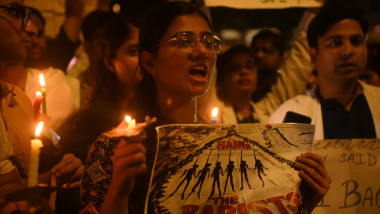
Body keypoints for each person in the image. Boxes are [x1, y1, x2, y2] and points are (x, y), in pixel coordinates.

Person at [80, 2, 330, 214]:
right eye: (185, 40)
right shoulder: (115, 148)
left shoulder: (227, 144)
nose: (201, 51)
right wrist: (119, 192)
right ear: (149, 61)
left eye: (209, 41)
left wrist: (301, 203)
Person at [0, 1, 83, 213]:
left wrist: (57, 174)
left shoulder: (16, 101)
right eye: (16, 15)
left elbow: (15, 186)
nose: (32, 30)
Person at [270, 1, 380, 139]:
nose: (348, 51)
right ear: (314, 56)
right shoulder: (287, 118)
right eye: (336, 43)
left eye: (356, 41)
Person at [58, 15, 141, 164]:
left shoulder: (154, 107)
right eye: (134, 52)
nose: (144, 59)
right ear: (109, 61)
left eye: (147, 51)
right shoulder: (94, 119)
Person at [216, 8, 317, 124]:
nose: (243, 71)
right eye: (234, 68)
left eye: (249, 66)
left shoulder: (267, 110)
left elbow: (299, 63)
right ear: (221, 79)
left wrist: (312, 11)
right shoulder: (212, 111)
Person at [25, 0, 84, 72]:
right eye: (28, 35)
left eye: (39, 34)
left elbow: (74, 14)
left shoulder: (57, 54)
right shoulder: (11, 67)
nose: (35, 41)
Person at [250, 29, 285, 102]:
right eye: (255, 50)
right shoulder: (246, 86)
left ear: (281, 58)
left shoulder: (284, 88)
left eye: (267, 51)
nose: (259, 55)